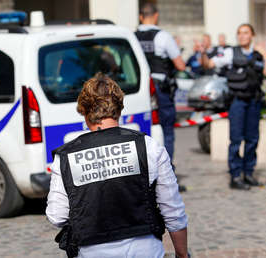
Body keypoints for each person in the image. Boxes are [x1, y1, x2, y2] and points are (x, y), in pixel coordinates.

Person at [46, 73, 188, 258]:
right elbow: (174, 212)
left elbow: (57, 216)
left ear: (84, 111)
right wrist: (182, 254)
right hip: (146, 251)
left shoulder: (66, 157)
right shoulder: (148, 146)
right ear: (119, 108)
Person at [201, 24, 266, 190]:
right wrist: (203, 51)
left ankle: (249, 173)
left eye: (246, 32)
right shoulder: (230, 53)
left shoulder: (259, 54)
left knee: (252, 139)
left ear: (252, 35)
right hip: (237, 101)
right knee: (236, 139)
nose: (242, 36)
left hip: (254, 100)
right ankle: (236, 176)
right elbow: (208, 64)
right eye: (239, 33)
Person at [134, 3, 187, 192]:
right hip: (160, 90)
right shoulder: (163, 37)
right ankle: (166, 178)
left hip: (138, 92)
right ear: (155, 16)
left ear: (141, 17)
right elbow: (180, 65)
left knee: (142, 135)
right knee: (166, 133)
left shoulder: (133, 37)